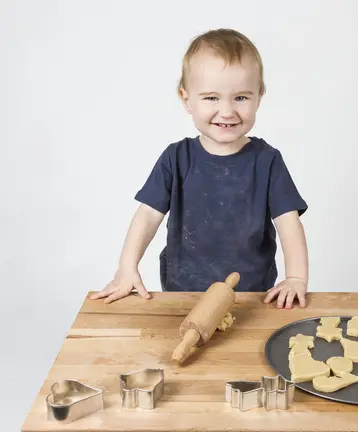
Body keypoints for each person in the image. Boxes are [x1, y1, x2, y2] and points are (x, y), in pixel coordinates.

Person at [91, 28, 309, 309]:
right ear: (186, 99)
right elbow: (147, 215)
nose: (227, 111)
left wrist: (296, 278)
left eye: (241, 97)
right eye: (211, 98)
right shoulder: (176, 158)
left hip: (251, 296)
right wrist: (126, 267)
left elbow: (289, 223)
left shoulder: (268, 161)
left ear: (259, 96)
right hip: (182, 292)